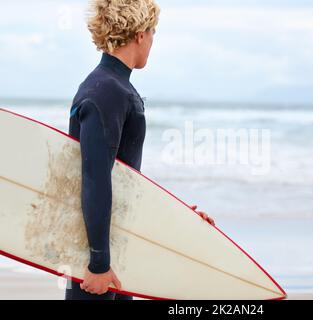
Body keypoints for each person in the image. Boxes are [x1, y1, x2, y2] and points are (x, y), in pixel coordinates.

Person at [66, 0, 215, 300]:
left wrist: (176, 216)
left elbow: (125, 182)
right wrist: (98, 263)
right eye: (153, 32)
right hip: (99, 266)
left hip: (114, 255)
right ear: (139, 34)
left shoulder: (114, 88)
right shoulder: (106, 91)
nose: (153, 41)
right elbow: (95, 178)